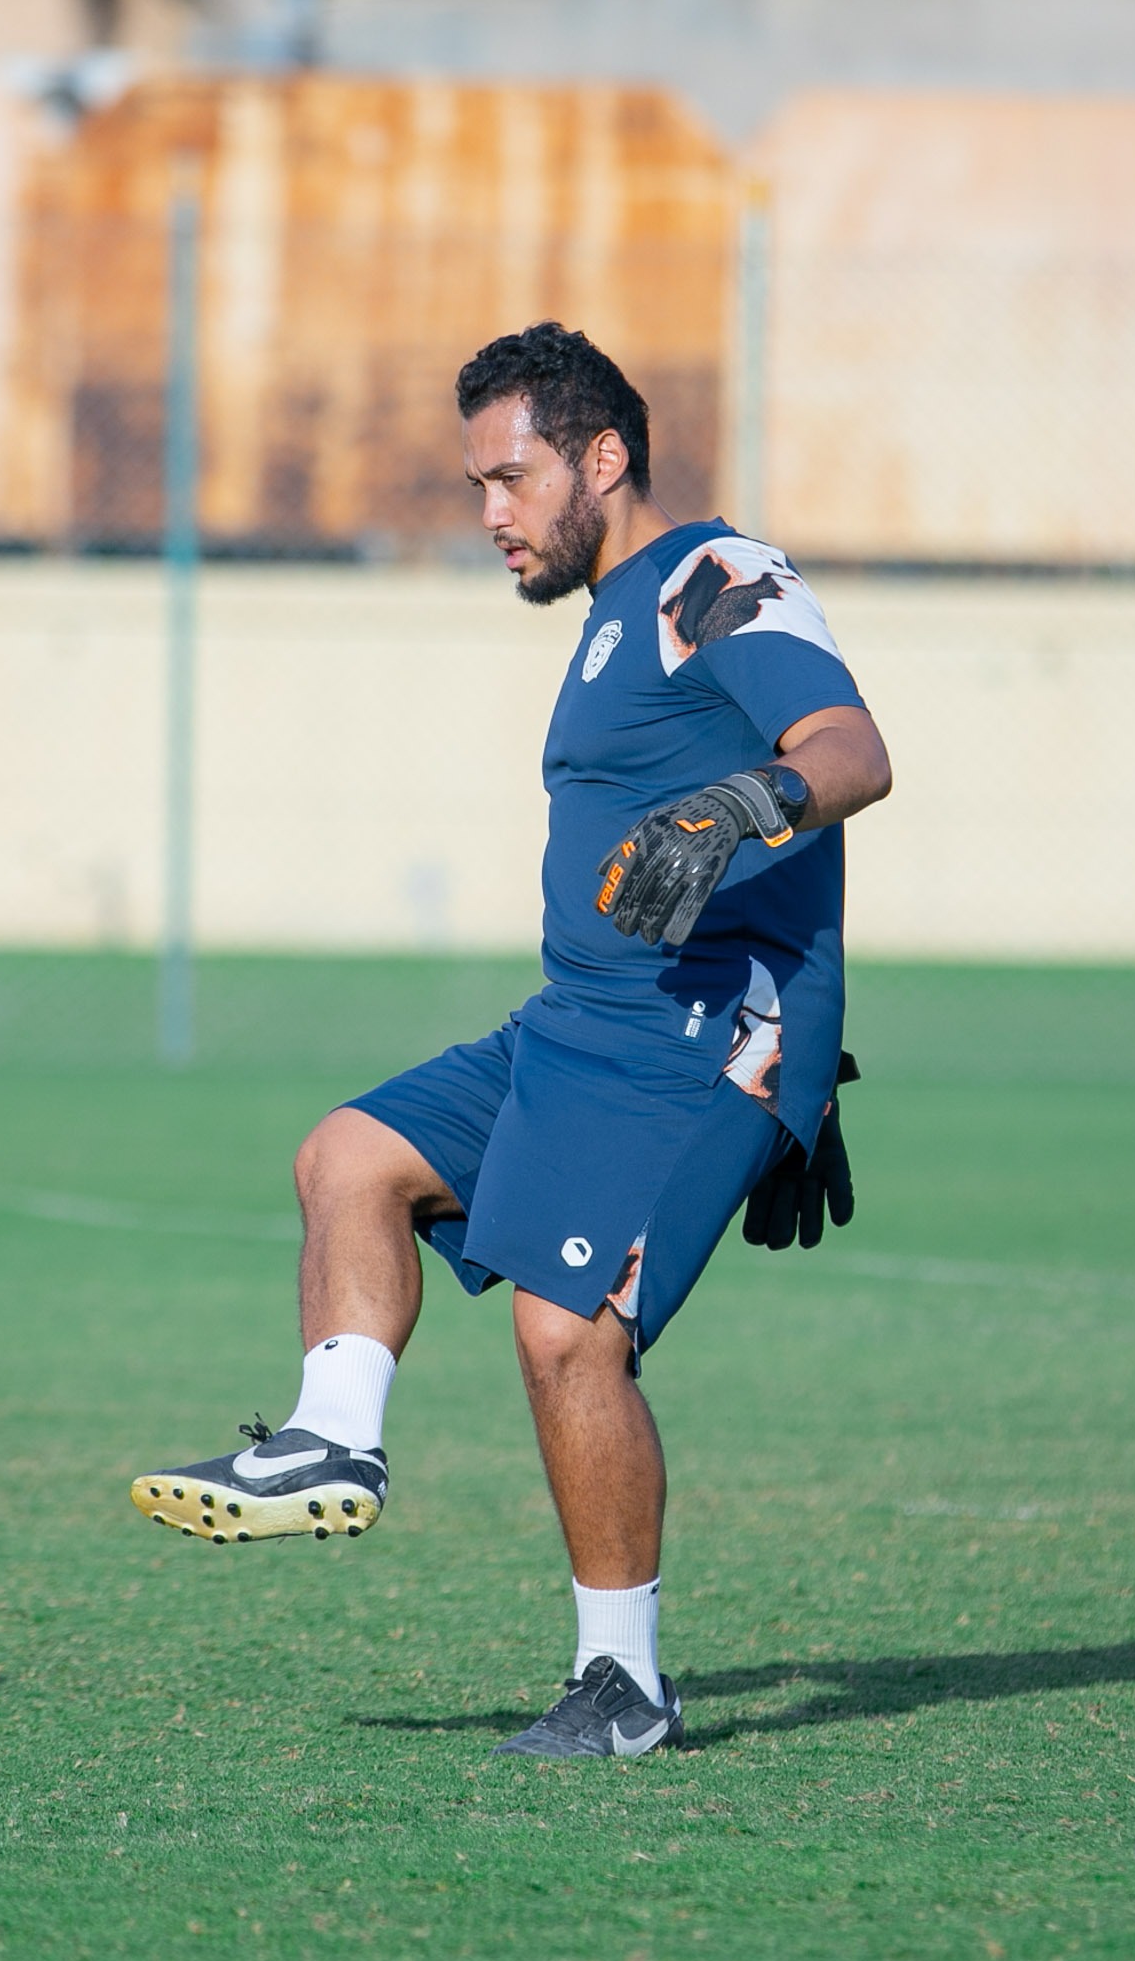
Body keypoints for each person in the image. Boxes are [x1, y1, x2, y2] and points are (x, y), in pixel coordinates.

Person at [129, 322, 892, 1759]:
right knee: (350, 1158)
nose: (491, 514)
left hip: (697, 1035)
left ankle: (627, 1686)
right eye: (478, 482)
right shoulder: (615, 608)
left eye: (512, 477)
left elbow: (853, 756)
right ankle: (332, 1433)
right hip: (580, 1025)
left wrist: (731, 815)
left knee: (564, 1338)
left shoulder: (718, 581)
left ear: (605, 458)